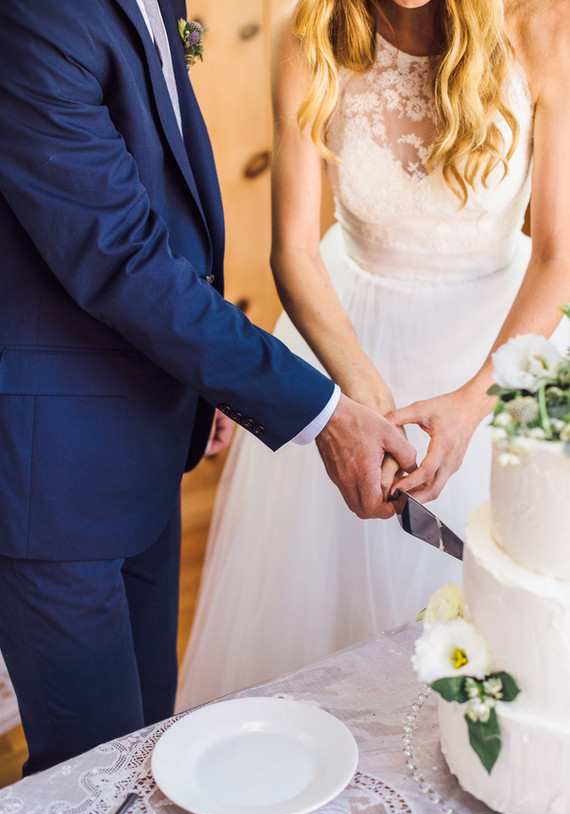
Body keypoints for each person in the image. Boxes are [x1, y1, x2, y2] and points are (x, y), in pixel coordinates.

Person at [0, 0, 417, 776]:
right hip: (48, 479)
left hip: (146, 435)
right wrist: (324, 413)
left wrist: (200, 379)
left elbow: (155, 201)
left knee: (147, 747)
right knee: (90, 779)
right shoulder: (36, 15)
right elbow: (121, 259)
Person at [176, 0, 570, 711]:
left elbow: (557, 257)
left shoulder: (541, 24)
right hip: (347, 344)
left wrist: (476, 400)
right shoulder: (308, 34)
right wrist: (363, 397)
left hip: (501, 351)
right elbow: (293, 251)